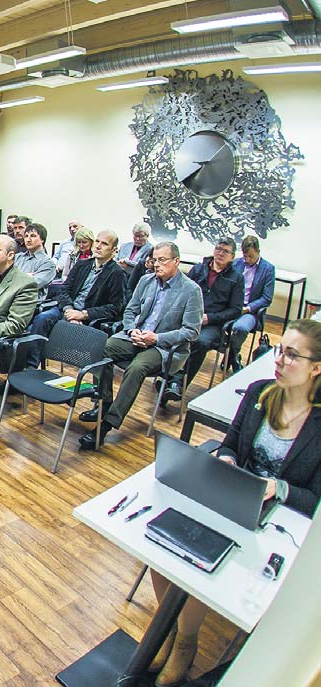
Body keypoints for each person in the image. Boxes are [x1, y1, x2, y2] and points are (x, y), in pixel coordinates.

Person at [144, 318, 321, 686]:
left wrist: (278, 487)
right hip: (232, 495)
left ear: (316, 367)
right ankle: (168, 626)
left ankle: (185, 643)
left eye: (292, 355)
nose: (280, 360)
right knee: (158, 543)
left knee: (202, 565)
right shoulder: (259, 392)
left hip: (279, 520)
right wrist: (225, 459)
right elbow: (229, 444)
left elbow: (315, 498)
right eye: (279, 350)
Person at [78, 242, 202, 450]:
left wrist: (157, 338)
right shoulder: (146, 281)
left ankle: (106, 424)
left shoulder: (191, 290)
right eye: (154, 260)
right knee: (99, 347)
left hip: (163, 347)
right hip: (135, 337)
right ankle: (105, 402)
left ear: (176, 261)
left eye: (162, 260)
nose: (156, 265)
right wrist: (131, 330)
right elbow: (129, 311)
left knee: (137, 367)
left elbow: (192, 331)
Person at [24, 230, 127, 369]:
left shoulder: (117, 273)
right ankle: (29, 367)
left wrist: (83, 314)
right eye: (97, 241)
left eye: (104, 244)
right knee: (41, 318)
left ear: (114, 250)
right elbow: (64, 289)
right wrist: (69, 310)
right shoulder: (82, 265)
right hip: (68, 309)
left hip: (89, 317)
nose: (98, 246)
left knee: (52, 327)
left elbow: (115, 307)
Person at [168, 237, 244, 399]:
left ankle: (178, 383)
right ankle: (168, 377)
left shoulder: (236, 278)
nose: (220, 253)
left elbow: (236, 310)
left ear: (232, 256)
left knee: (199, 342)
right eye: (218, 249)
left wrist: (209, 318)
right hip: (189, 317)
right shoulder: (198, 270)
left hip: (213, 324)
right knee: (167, 331)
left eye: (226, 251)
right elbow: (182, 292)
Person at [229, 235, 276, 372]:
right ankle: (231, 356)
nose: (247, 260)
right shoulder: (236, 263)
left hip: (250, 311)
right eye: (245, 256)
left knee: (241, 328)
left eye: (251, 256)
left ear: (258, 252)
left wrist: (248, 308)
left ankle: (232, 355)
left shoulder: (268, 269)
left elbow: (266, 298)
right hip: (232, 306)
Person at [13, 222, 57, 292]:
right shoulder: (17, 257)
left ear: (42, 239)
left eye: (33, 236)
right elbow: (3, 278)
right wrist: (26, 276)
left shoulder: (48, 263)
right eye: (26, 236)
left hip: (30, 300)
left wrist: (15, 277)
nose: (28, 239)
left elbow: (31, 285)